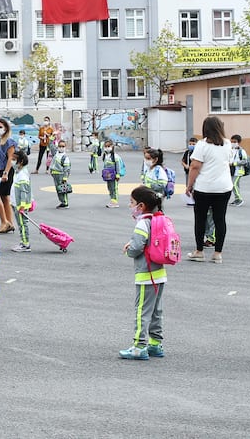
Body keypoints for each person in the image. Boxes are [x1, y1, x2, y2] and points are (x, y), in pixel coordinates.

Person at [119, 186, 168, 361]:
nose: (130, 205)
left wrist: (129, 249)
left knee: (141, 311)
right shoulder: (158, 219)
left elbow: (137, 247)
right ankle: (155, 343)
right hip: (160, 273)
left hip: (146, 275)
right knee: (156, 311)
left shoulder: (142, 223)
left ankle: (139, 346)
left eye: (132, 202)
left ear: (141, 206)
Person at [185, 116, 232, 264]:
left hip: (204, 187)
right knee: (220, 219)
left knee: (200, 218)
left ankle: (199, 251)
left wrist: (189, 185)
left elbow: (195, 166)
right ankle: (218, 253)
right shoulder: (227, 143)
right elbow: (228, 162)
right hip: (224, 187)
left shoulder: (202, 145)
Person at [10, 153, 33, 253]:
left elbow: (24, 191)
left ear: (21, 161)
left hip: (20, 205)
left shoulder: (23, 175)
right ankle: (23, 241)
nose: (12, 161)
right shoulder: (18, 172)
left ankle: (25, 244)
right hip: (16, 203)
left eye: (14, 159)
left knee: (23, 224)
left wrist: (22, 205)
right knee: (20, 224)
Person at [100, 139, 126, 208]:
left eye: (108, 146)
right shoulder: (105, 156)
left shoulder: (115, 156)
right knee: (110, 188)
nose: (107, 148)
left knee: (114, 188)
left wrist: (118, 174)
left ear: (112, 146)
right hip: (108, 176)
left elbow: (118, 166)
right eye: (106, 146)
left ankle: (115, 201)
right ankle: (112, 200)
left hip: (114, 175)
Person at [50, 139, 72, 208]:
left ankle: (65, 202)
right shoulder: (56, 154)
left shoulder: (65, 157)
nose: (61, 148)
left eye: (63, 146)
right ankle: (62, 201)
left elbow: (67, 168)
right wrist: (51, 140)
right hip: (55, 174)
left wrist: (65, 177)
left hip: (61, 175)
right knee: (58, 189)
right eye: (60, 146)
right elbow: (51, 147)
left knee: (63, 189)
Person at [229, 134, 250, 206]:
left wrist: (234, 163)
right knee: (235, 185)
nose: (233, 143)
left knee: (233, 185)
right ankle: (236, 199)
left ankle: (239, 199)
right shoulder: (230, 150)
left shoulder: (241, 151)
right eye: (231, 141)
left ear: (238, 142)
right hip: (231, 170)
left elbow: (245, 161)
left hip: (238, 171)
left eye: (234, 142)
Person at [180, 136, 198, 206]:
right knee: (188, 185)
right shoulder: (187, 152)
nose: (191, 146)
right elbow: (182, 161)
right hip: (188, 171)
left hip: (195, 172)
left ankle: (195, 199)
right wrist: (185, 166)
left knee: (195, 186)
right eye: (190, 144)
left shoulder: (197, 152)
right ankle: (190, 200)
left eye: (193, 144)